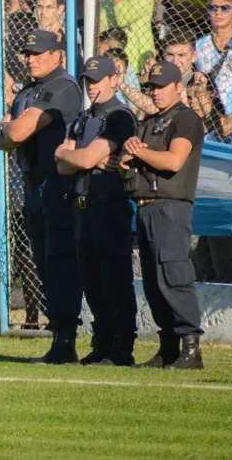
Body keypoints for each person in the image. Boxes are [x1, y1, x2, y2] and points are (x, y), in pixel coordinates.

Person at [0, 30, 83, 364]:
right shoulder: (27, 91)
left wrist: (9, 126)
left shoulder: (61, 86)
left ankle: (66, 340)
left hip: (56, 184)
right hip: (33, 183)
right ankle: (58, 338)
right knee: (44, 262)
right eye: (28, 54)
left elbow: (13, 133)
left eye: (38, 53)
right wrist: (10, 129)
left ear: (57, 55)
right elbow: (0, 142)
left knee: (59, 261)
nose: (31, 59)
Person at [116, 61, 205, 370]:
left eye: (161, 86)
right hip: (144, 207)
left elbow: (173, 161)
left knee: (174, 277)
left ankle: (191, 349)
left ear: (178, 87)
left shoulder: (186, 119)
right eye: (151, 87)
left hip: (170, 207)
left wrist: (138, 152)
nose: (155, 92)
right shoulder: (149, 120)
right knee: (154, 283)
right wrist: (128, 153)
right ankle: (168, 348)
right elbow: (125, 162)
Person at [55, 56, 138, 366]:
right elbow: (61, 163)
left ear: (114, 80)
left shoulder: (119, 117)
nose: (92, 87)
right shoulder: (83, 118)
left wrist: (72, 154)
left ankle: (121, 348)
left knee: (114, 280)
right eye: (88, 82)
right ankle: (102, 344)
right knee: (92, 282)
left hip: (108, 207)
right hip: (81, 208)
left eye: (98, 81)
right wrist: (73, 154)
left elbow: (85, 158)